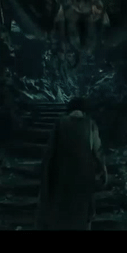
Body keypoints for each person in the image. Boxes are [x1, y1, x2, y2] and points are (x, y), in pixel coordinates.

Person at [36, 97, 108, 230]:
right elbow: (98, 151)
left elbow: (49, 152)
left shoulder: (60, 123)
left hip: (61, 175)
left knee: (61, 213)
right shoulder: (90, 124)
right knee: (83, 213)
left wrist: (46, 176)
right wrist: (103, 171)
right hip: (84, 175)